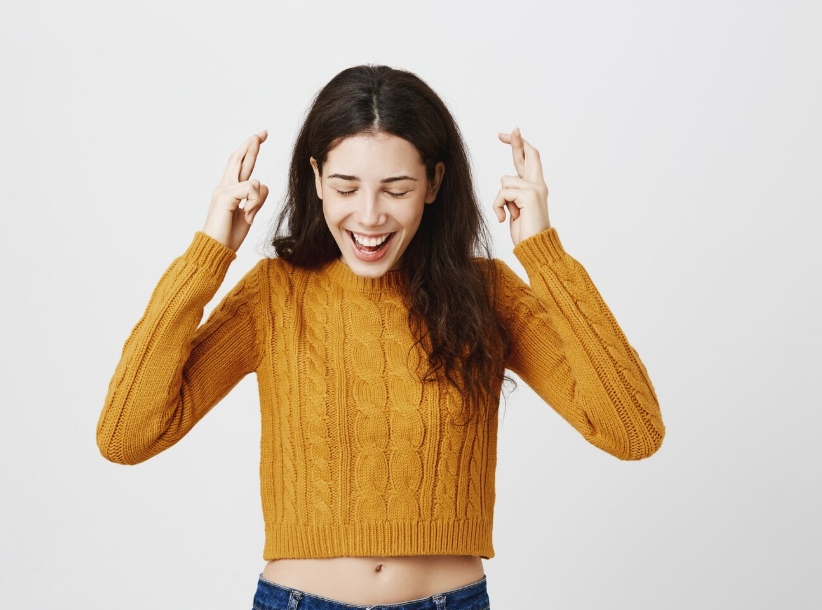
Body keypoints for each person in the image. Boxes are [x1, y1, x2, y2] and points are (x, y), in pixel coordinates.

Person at [95, 65, 666, 610]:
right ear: (316, 179)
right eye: (346, 187)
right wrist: (207, 255)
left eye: (396, 189)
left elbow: (632, 430)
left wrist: (543, 252)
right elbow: (127, 435)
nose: (369, 217)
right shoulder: (274, 295)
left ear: (434, 183)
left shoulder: (486, 293)